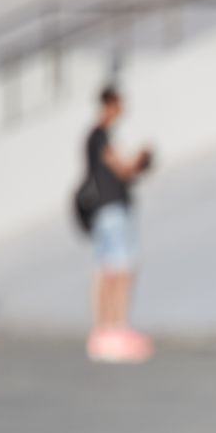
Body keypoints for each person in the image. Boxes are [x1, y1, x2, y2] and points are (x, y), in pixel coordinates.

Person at [83, 86, 153, 364]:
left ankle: (104, 332)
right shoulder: (100, 136)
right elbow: (121, 169)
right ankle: (115, 329)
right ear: (110, 105)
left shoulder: (95, 137)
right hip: (112, 208)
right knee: (121, 268)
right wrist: (140, 161)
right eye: (120, 104)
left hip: (103, 210)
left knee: (107, 267)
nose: (123, 109)